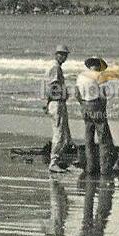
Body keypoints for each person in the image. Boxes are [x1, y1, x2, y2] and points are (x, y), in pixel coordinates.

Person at [75, 56, 114, 176]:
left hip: (84, 105)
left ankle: (90, 166)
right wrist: (103, 108)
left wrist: (83, 104)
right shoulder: (99, 76)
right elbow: (102, 95)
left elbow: (76, 94)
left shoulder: (81, 76)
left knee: (88, 137)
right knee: (104, 138)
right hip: (96, 104)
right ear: (98, 66)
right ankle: (105, 168)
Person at [43, 44, 73, 173]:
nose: (64, 57)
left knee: (64, 134)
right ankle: (54, 162)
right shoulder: (55, 68)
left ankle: (57, 160)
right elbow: (52, 86)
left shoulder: (55, 67)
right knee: (59, 134)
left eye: (65, 55)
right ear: (57, 55)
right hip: (57, 103)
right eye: (62, 55)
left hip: (56, 102)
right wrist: (63, 94)